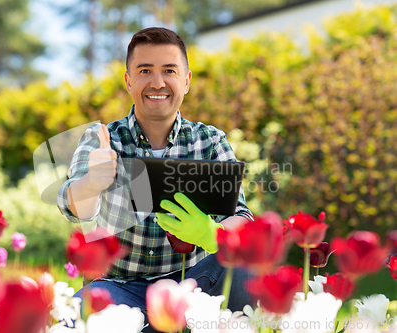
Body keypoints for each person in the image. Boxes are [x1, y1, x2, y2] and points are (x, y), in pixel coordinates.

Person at [57, 27, 253, 332]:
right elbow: (73, 206)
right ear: (129, 80)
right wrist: (91, 184)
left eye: (169, 71)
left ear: (186, 80)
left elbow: (242, 218)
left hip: (192, 284)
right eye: (145, 70)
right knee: (71, 319)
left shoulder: (210, 141)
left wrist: (213, 234)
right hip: (119, 288)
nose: (157, 82)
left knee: (241, 269)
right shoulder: (103, 139)